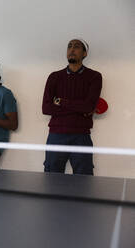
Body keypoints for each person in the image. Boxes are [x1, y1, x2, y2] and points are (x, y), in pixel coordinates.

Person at [42, 39, 102, 175]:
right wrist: (80, 108)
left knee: (84, 179)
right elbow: (46, 108)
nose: (72, 49)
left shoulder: (94, 77)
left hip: (81, 136)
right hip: (56, 135)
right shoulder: (54, 77)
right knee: (51, 178)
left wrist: (60, 101)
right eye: (69, 46)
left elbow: (88, 107)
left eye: (76, 46)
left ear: (85, 53)